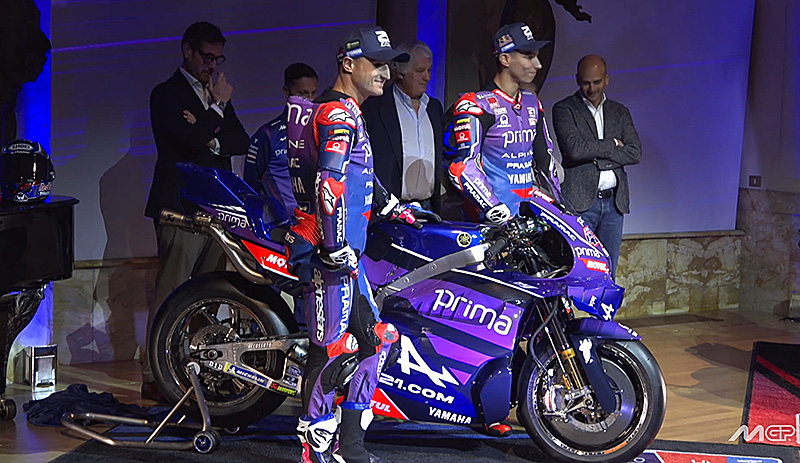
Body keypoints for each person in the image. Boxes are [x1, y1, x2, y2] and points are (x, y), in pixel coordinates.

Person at [282, 26, 438, 463]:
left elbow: (359, 177)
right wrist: (333, 247)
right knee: (333, 350)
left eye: (389, 65)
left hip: (348, 255)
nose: (385, 73)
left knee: (375, 340)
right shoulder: (337, 113)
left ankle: (350, 445)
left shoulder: (351, 111)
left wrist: (399, 209)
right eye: (377, 64)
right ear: (348, 64)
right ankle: (314, 449)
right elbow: (329, 183)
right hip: (329, 256)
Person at [143, 21, 249, 400]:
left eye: (218, 59)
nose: (212, 66)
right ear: (187, 50)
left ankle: (194, 370)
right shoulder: (166, 93)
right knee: (172, 290)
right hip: (180, 209)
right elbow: (186, 141)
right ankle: (154, 374)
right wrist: (215, 111)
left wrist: (210, 131)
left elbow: (240, 139)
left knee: (207, 293)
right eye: (207, 57)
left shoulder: (214, 94)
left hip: (215, 209)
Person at [447, 22, 560, 226]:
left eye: (536, 56)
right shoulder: (476, 105)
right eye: (528, 56)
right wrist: (494, 209)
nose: (538, 65)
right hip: (490, 223)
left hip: (529, 222)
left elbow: (545, 162)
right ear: (505, 59)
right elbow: (463, 167)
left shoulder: (532, 103)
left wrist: (558, 209)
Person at [552, 54, 641, 278]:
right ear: (577, 80)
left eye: (597, 82)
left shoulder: (619, 112)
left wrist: (594, 155)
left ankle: (602, 305)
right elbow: (575, 150)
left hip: (614, 203)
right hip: (580, 203)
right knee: (578, 271)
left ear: (606, 79)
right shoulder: (564, 109)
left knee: (608, 272)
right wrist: (612, 144)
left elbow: (634, 152)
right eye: (586, 83)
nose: (592, 88)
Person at [361, 41, 444, 213]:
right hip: (390, 209)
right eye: (420, 71)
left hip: (428, 207)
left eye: (429, 70)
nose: (427, 77)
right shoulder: (374, 108)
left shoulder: (434, 108)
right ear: (400, 72)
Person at [244, 62, 318, 210]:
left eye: (313, 93)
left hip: (316, 220)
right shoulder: (267, 135)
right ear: (286, 92)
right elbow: (250, 187)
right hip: (282, 221)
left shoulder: (322, 131)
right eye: (303, 93)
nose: (309, 100)